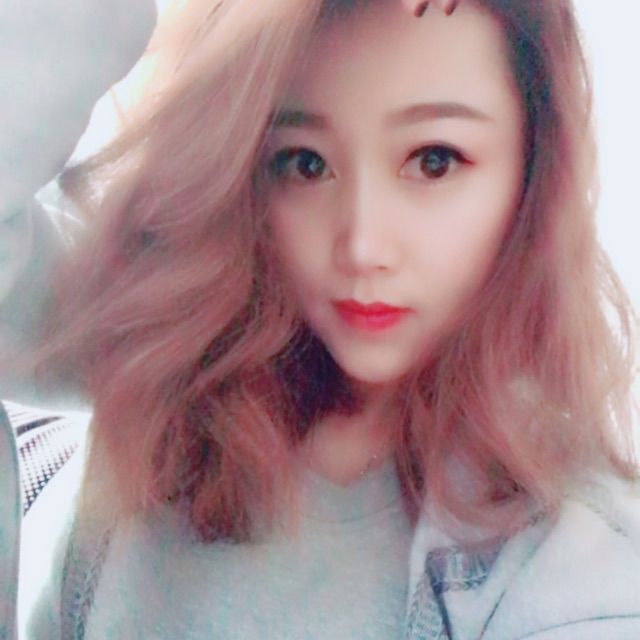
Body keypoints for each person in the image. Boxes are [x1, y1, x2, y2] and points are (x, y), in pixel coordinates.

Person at [16, 0, 640, 638]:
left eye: (434, 160)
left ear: (534, 172)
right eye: (305, 163)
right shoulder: (154, 392)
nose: (363, 246)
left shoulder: (576, 564)